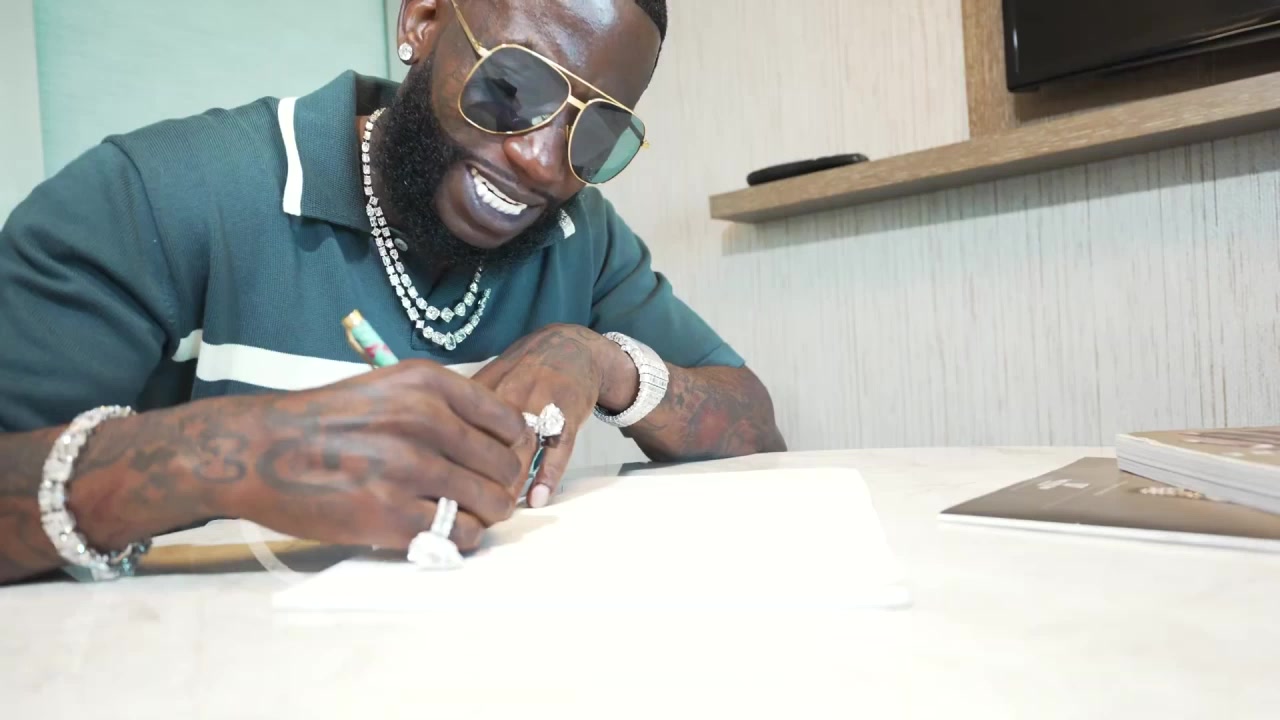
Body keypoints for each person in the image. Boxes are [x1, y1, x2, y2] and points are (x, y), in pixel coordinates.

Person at [0, 0, 785, 585]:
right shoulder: (165, 194)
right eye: (515, 86)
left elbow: (752, 428)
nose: (545, 163)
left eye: (597, 134)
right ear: (422, 21)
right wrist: (239, 452)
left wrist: (600, 361)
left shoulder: (582, 234)